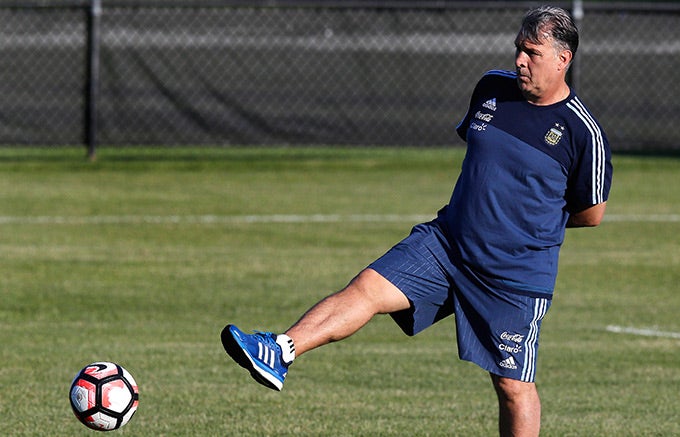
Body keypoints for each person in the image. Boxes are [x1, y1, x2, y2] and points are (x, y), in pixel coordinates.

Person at [221, 5, 612, 436]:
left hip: (512, 275)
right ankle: (280, 350)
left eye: (532, 52)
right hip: (446, 244)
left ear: (563, 59)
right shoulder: (491, 88)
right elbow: (485, 161)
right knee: (366, 289)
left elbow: (589, 214)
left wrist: (522, 227)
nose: (520, 59)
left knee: (512, 386)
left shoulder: (583, 134)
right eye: (519, 48)